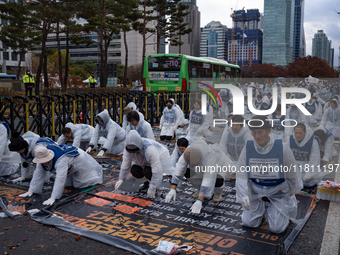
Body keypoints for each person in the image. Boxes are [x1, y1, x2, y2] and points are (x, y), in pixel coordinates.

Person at [236, 115, 302, 234]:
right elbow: (241, 172)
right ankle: (259, 212)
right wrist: (243, 195)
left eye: (260, 132)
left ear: (269, 130)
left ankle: (281, 209)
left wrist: (292, 191)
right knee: (248, 223)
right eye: (254, 132)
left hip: (277, 192)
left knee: (277, 229)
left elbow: (292, 172)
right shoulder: (248, 147)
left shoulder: (282, 148)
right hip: (257, 192)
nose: (257, 136)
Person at [164, 137, 233, 213]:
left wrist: (200, 200)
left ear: (199, 159)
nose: (190, 164)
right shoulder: (188, 152)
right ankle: (199, 188)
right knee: (187, 171)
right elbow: (179, 169)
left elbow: (208, 179)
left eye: (192, 163)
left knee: (217, 179)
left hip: (222, 166)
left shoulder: (210, 157)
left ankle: (218, 192)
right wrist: (173, 189)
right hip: (203, 166)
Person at [18, 144, 103, 205]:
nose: (42, 163)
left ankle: (92, 176)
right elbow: (38, 174)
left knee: (79, 184)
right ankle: (71, 173)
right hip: (69, 162)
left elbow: (60, 179)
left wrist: (53, 197)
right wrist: (32, 190)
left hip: (79, 159)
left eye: (43, 161)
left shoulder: (60, 161)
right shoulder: (41, 156)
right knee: (68, 184)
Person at [114, 131, 174, 197]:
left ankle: (154, 187)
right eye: (133, 152)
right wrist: (121, 179)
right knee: (135, 170)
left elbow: (156, 169)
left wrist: (153, 185)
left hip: (161, 157)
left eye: (136, 151)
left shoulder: (149, 149)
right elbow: (125, 164)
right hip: (142, 159)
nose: (135, 153)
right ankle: (146, 183)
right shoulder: (128, 149)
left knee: (147, 171)